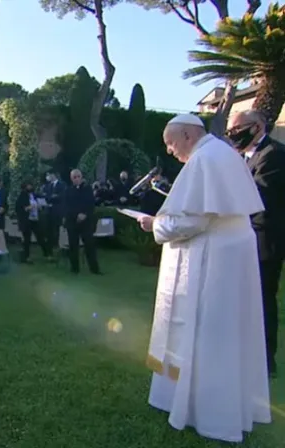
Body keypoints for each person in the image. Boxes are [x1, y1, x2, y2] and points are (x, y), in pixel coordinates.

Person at [137, 113, 271, 443]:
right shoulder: (222, 154)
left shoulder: (205, 159)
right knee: (229, 331)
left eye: (170, 143)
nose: (169, 151)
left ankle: (206, 412)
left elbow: (192, 221)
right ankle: (229, 407)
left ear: (187, 135)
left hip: (213, 261)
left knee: (207, 331)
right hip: (231, 255)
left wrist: (155, 225)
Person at [227, 110, 285, 378]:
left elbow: (259, 197)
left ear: (258, 126)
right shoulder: (245, 157)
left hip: (265, 241)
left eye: (237, 130)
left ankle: (265, 360)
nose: (233, 136)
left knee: (262, 299)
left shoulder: (273, 154)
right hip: (246, 239)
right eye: (230, 132)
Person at [64, 169, 101, 275]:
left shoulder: (88, 189)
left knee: (90, 246)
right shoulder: (68, 191)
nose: (77, 179)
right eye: (74, 177)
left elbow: (91, 204)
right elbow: (67, 206)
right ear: (71, 179)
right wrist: (77, 214)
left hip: (86, 222)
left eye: (78, 176)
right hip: (72, 222)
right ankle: (75, 269)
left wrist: (85, 214)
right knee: (73, 246)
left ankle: (95, 269)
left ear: (81, 177)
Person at [15, 181, 49, 263]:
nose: (30, 187)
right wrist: (29, 207)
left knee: (40, 237)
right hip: (27, 220)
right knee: (27, 240)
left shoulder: (34, 195)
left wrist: (40, 206)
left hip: (35, 219)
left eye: (31, 185)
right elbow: (20, 208)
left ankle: (47, 254)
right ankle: (27, 257)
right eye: (29, 186)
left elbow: (40, 204)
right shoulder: (22, 196)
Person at [42, 171, 65, 260]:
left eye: (48, 175)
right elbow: (45, 196)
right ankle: (49, 252)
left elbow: (61, 196)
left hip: (58, 212)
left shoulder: (62, 185)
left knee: (58, 230)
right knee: (49, 232)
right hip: (49, 212)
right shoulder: (47, 186)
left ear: (53, 175)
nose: (47, 177)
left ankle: (61, 248)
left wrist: (51, 197)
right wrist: (50, 197)